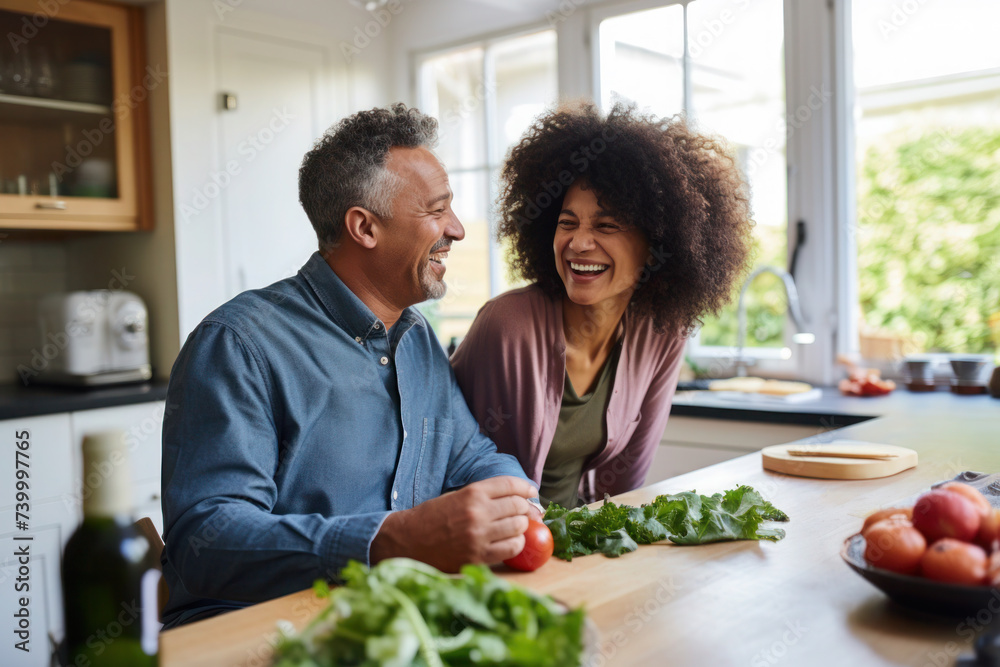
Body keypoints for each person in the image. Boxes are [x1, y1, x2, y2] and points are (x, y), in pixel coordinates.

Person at [160, 104, 539, 629]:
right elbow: (206, 543)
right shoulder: (236, 344)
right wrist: (390, 541)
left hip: (390, 623)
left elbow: (470, 454)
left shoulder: (417, 337)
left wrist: (517, 503)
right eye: (437, 210)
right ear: (364, 227)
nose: (456, 230)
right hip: (257, 631)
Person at [452, 102, 752, 508]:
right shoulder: (509, 327)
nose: (578, 243)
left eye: (606, 225)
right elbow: (470, 477)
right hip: (501, 546)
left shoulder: (663, 333)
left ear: (657, 245)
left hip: (578, 541)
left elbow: (625, 486)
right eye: (567, 222)